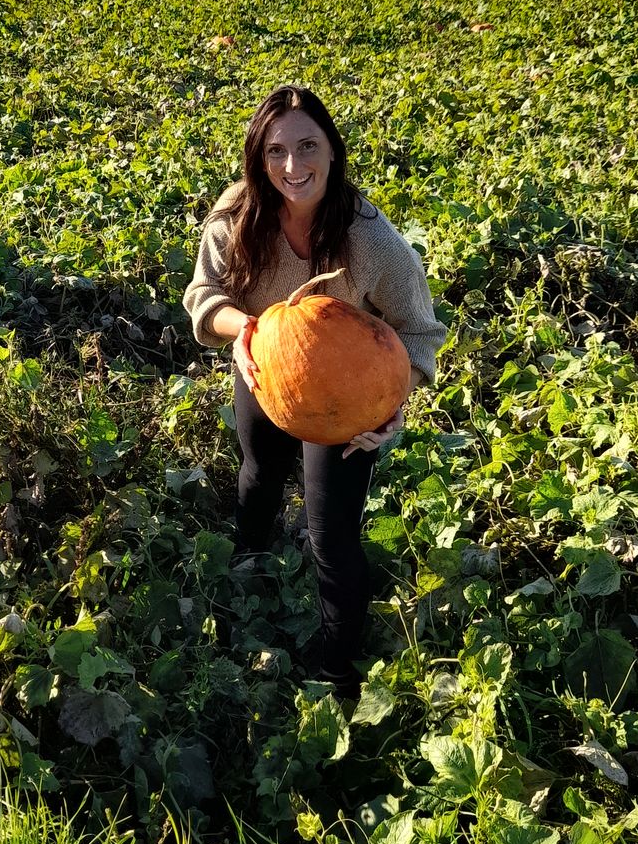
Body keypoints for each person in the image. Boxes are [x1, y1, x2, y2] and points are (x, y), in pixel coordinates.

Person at [183, 85, 447, 696]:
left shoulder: (370, 240)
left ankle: (336, 673)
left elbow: (420, 332)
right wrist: (245, 329)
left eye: (308, 147)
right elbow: (204, 295)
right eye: (276, 151)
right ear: (258, 157)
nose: (293, 166)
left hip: (344, 398)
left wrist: (393, 402)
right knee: (259, 473)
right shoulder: (236, 218)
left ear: (332, 150)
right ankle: (250, 565)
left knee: (332, 532)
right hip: (261, 367)